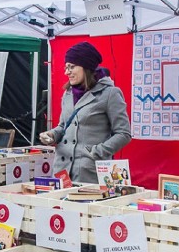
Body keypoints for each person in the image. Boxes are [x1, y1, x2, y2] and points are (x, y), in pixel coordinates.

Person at [39, 41, 132, 183]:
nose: (66, 72)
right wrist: (52, 135)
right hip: (62, 171)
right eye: (66, 67)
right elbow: (63, 126)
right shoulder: (68, 93)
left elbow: (124, 134)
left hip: (90, 173)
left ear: (86, 66)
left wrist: (97, 151)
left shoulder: (110, 93)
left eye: (71, 67)